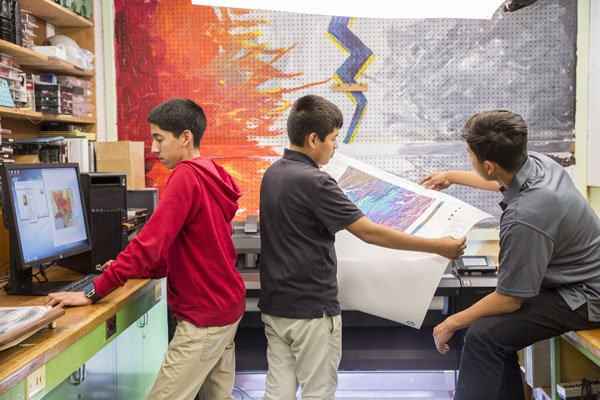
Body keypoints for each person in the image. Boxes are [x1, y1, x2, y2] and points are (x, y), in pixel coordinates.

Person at [258, 94, 467, 400]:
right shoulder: (317, 182)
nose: (335, 146)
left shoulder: (273, 173)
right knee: (318, 393)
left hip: (276, 307)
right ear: (313, 139)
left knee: (278, 391)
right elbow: (369, 233)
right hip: (311, 311)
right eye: (333, 138)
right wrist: (438, 247)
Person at [45, 98, 246, 400]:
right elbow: (188, 244)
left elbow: (150, 243)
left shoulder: (186, 175)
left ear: (185, 137)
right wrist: (133, 268)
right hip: (226, 305)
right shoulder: (211, 173)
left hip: (205, 316)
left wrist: (93, 291)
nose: (153, 148)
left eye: (159, 138)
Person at [420, 110, 600, 400]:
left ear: (489, 165)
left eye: (469, 155)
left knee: (482, 335)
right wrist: (450, 177)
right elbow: (500, 181)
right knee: (489, 333)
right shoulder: (541, 164)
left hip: (587, 296)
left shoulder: (524, 217)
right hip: (579, 277)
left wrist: (450, 322)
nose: (468, 158)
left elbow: (509, 299)